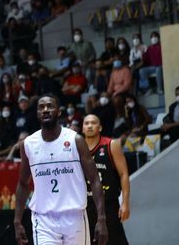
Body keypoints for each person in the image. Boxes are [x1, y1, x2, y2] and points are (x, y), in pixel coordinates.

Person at [14, 94, 108, 245]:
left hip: (74, 216)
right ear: (37, 114)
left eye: (50, 106)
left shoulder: (75, 140)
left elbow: (95, 179)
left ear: (59, 112)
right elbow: (23, 183)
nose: (45, 110)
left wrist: (101, 218)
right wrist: (17, 221)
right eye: (41, 107)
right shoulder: (28, 144)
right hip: (43, 219)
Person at [83, 114, 131, 245]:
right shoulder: (76, 148)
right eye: (86, 123)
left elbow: (124, 174)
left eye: (93, 123)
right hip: (85, 207)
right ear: (82, 128)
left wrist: (125, 203)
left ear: (100, 127)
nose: (90, 126)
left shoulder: (112, 145)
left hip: (108, 204)